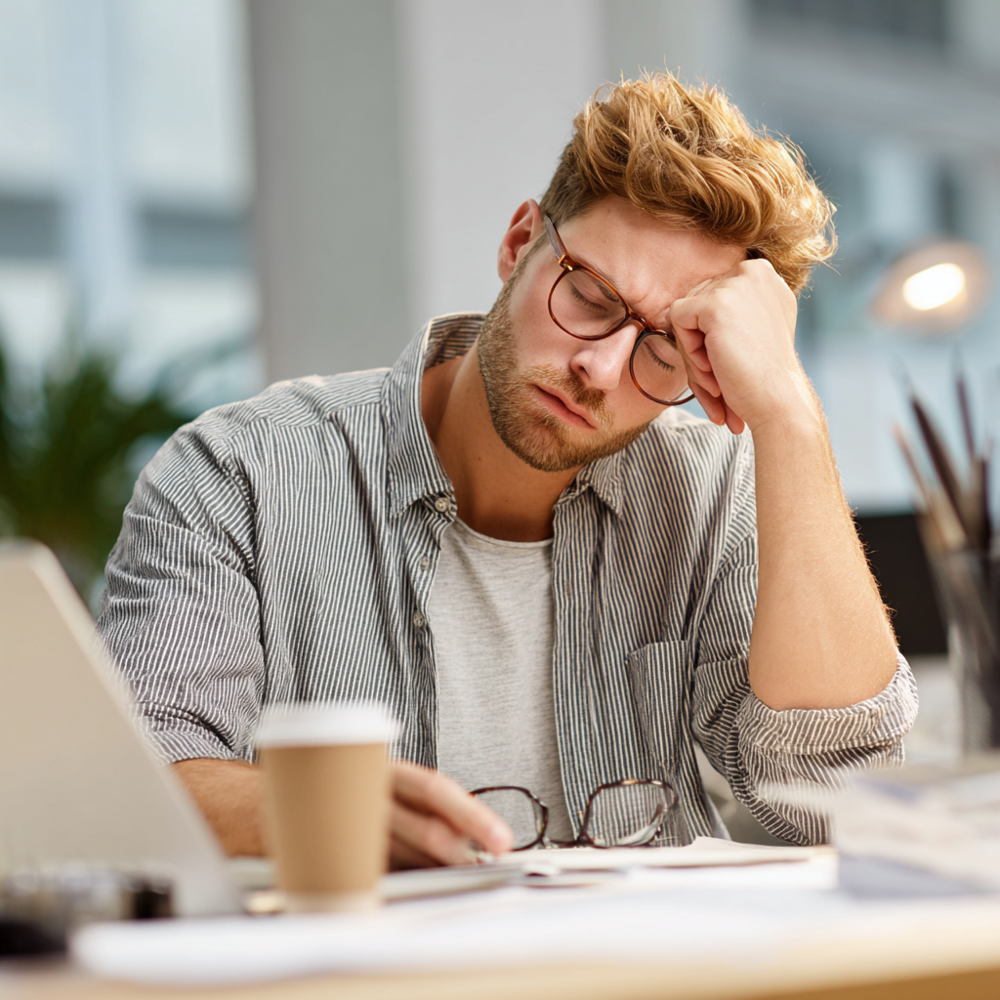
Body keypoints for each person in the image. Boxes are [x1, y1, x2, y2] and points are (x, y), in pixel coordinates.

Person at [97, 73, 916, 866]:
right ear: (520, 243)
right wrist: (329, 814)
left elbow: (836, 800)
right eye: (589, 296)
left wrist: (788, 414)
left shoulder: (712, 490)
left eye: (666, 349)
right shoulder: (237, 473)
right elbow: (129, 781)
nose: (600, 368)